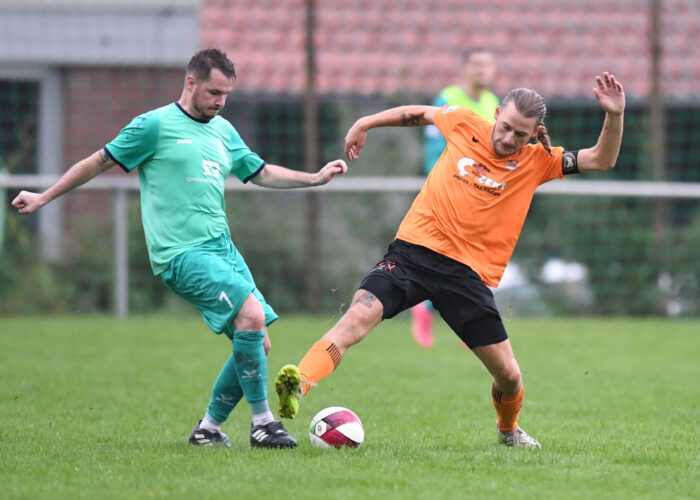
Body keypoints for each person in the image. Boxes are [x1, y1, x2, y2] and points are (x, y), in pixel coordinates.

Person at [12, 48, 348, 449]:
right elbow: (98, 161)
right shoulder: (153, 125)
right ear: (190, 83)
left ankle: (208, 429)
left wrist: (313, 178)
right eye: (213, 92)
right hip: (182, 254)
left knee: (258, 339)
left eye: (226, 94)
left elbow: (260, 172)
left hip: (222, 248)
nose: (220, 102)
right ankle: (263, 424)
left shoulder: (223, 130)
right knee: (252, 315)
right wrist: (44, 197)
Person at [275, 72, 625, 448]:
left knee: (509, 377)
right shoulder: (463, 122)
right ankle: (299, 385)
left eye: (520, 135)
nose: (509, 139)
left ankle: (508, 431)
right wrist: (365, 122)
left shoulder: (538, 161)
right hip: (411, 254)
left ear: (534, 133)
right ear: (495, 113)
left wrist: (615, 116)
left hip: (465, 277)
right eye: (505, 127)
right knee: (357, 318)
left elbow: (600, 159)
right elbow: (419, 113)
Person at [414, 47, 499, 348]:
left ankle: (470, 320)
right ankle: (425, 310)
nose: (482, 70)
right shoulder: (446, 99)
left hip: (482, 194)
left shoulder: (492, 103)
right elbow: (434, 150)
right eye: (476, 64)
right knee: (442, 256)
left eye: (488, 64)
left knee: (473, 257)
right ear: (464, 69)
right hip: (449, 191)